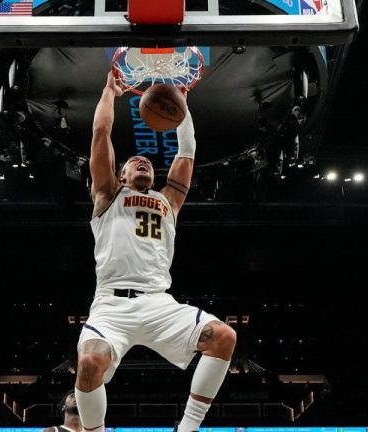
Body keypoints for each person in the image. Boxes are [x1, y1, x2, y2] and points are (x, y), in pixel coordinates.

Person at [75, 72, 237, 432]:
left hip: (158, 302)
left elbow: (187, 151)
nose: (143, 160)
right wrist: (108, 92)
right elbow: (100, 134)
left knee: (224, 337)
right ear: (120, 175)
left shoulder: (169, 200)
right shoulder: (107, 196)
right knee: (88, 363)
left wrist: (182, 106)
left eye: (147, 161)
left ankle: (188, 428)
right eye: (134, 161)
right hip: (111, 305)